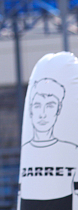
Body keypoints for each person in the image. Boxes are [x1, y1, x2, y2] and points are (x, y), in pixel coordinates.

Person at [19, 78, 78, 210]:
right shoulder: (27, 150)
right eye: (37, 106)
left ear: (59, 109)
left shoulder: (71, 149)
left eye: (50, 106)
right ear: (31, 109)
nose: (43, 114)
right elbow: (20, 193)